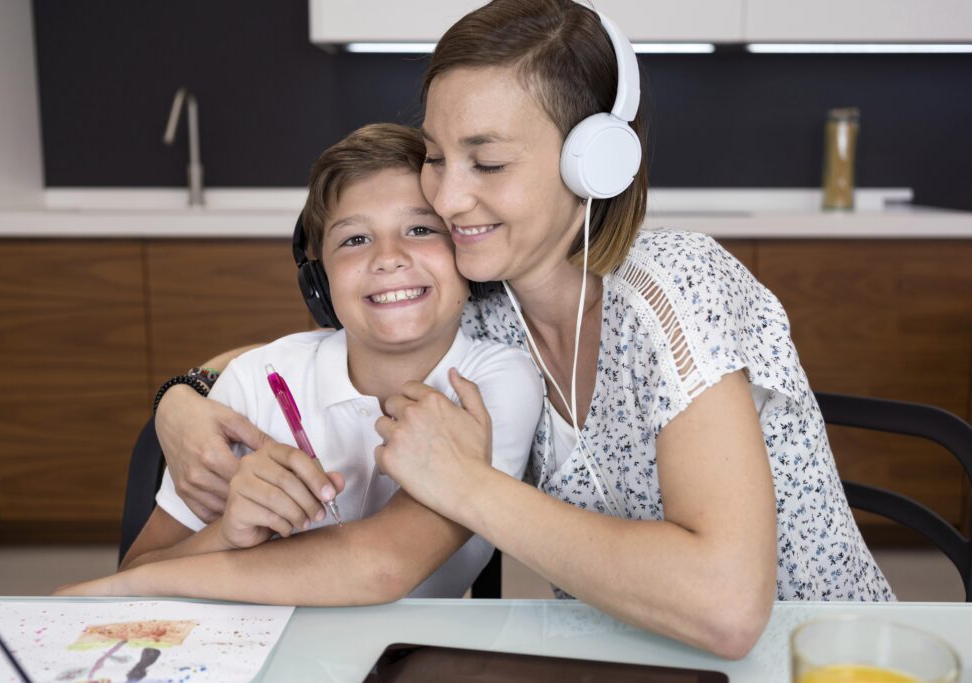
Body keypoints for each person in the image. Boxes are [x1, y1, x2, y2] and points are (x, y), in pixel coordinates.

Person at [154, 0, 894, 659]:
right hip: (635, 660)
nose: (446, 195)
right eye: (438, 159)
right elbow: (307, 349)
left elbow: (729, 608)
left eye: (489, 161)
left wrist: (468, 484)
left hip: (822, 658)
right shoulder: (488, 304)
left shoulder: (674, 289)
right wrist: (181, 402)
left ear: (593, 162)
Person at [57, 123, 542, 603]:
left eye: (420, 229)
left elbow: (381, 568)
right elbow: (141, 565)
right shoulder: (253, 383)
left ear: (466, 251)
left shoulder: (499, 381)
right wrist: (228, 533)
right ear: (319, 280)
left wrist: (130, 588)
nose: (388, 258)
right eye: (355, 240)